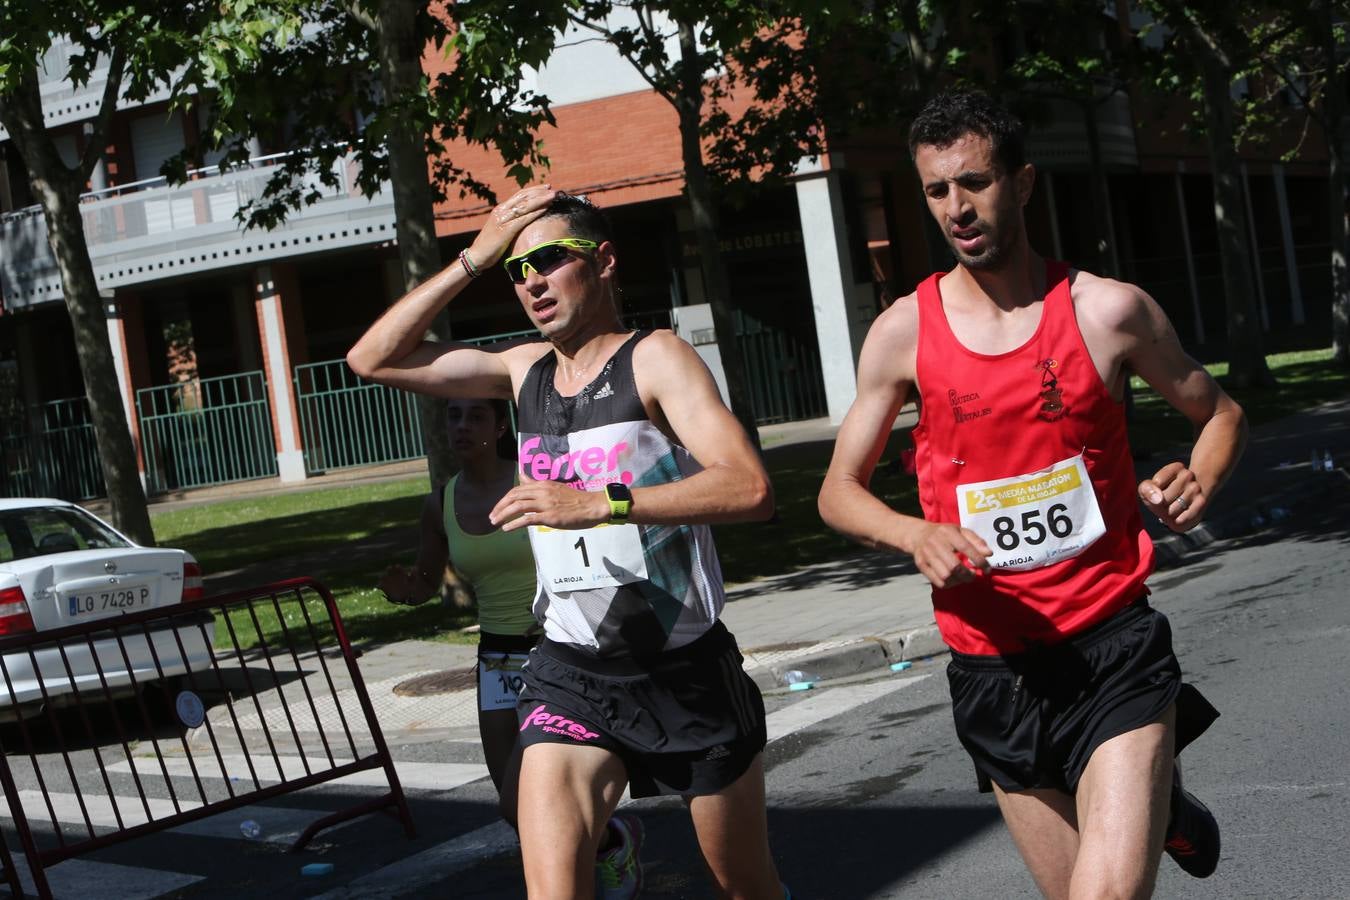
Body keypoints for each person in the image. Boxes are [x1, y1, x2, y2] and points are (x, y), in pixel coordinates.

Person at [818, 90, 1246, 899]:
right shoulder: (903, 331)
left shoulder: (1108, 310)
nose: (957, 208)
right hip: (991, 669)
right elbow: (838, 492)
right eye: (938, 191)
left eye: (974, 183)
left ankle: (1149, 798)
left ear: (1022, 183)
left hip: (1112, 648)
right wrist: (915, 535)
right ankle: (1167, 811)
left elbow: (1219, 413)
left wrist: (1202, 474)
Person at [349, 189, 786, 899]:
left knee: (746, 886)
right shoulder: (522, 372)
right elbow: (371, 358)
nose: (531, 281)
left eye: (550, 259)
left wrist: (602, 503)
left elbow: (749, 488)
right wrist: (474, 255)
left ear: (604, 261)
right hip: (572, 674)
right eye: (517, 270)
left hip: (683, 672)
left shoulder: (657, 359)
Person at [376, 397, 644, 897]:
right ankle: (611, 842)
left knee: (545, 795)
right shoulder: (441, 502)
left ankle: (590, 873)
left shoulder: (532, 480)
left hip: (555, 646)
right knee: (511, 804)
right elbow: (426, 585)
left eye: (475, 415)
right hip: (497, 660)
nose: (461, 425)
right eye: (453, 415)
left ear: (501, 425)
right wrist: (401, 589)